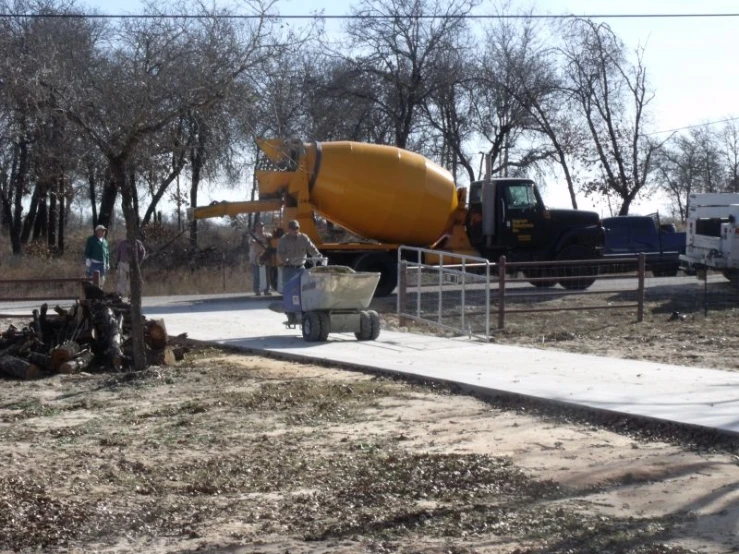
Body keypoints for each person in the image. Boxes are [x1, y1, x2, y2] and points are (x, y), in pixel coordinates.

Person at [277, 219, 323, 290]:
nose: (296, 230)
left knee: (305, 288)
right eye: (293, 228)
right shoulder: (284, 239)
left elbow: (312, 249)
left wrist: (318, 255)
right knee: (289, 290)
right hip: (289, 269)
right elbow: (280, 253)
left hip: (301, 268)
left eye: (297, 228)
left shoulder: (304, 238)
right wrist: (285, 260)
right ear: (289, 229)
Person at [248, 222, 273, 296]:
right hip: (255, 258)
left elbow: (271, 240)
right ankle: (257, 290)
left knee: (267, 275)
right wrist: (256, 240)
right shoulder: (252, 236)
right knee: (256, 275)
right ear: (256, 228)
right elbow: (250, 242)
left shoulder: (267, 235)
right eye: (259, 226)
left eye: (262, 226)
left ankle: (267, 290)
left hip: (265, 257)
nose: (261, 228)